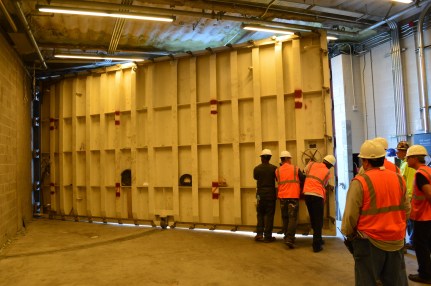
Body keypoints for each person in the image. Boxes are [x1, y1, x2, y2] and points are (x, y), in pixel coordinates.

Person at [341, 140, 410, 286]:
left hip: (368, 241)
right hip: (396, 240)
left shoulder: (360, 182)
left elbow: (350, 216)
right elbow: (406, 209)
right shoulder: (398, 178)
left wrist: (348, 233)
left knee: (367, 281)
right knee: (395, 281)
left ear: (365, 162)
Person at [406, 145, 431, 284]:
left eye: (408, 157)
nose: (406, 160)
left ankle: (425, 275)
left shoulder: (420, 173)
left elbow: (428, 193)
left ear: (415, 158)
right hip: (428, 216)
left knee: (420, 246)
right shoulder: (428, 170)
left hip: (423, 216)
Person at [303, 154, 336, 252]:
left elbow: (304, 172)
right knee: (318, 221)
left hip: (307, 194)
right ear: (330, 165)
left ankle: (319, 239)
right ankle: (316, 245)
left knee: (313, 219)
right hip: (317, 195)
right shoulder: (327, 172)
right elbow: (324, 184)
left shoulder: (312, 164)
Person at [275, 150, 305, 248]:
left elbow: (278, 180)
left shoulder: (277, 170)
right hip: (293, 196)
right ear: (288, 159)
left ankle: (286, 236)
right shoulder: (295, 168)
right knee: (292, 218)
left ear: (281, 159)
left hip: (282, 197)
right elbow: (303, 178)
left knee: (285, 218)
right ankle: (289, 238)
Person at [253, 148, 278, 243]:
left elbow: (255, 177)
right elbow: (277, 178)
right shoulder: (274, 168)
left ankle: (259, 234)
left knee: (260, 214)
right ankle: (268, 236)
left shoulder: (257, 168)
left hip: (260, 195)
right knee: (270, 216)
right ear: (270, 158)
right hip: (271, 195)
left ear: (261, 158)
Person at [396, 141, 416, 249]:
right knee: (409, 221)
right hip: (407, 195)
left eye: (399, 151)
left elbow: (408, 182)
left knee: (410, 220)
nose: (397, 153)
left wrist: (408, 197)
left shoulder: (407, 165)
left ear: (404, 152)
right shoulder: (404, 163)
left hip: (409, 196)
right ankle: (412, 240)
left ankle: (413, 242)